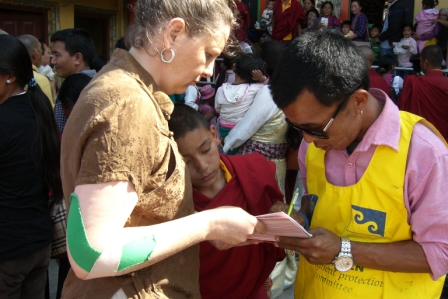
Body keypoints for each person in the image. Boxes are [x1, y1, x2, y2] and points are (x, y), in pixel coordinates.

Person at [59, 1, 266, 298]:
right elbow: (91, 254)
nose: (209, 71)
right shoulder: (128, 103)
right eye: (207, 54)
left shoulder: (121, 88)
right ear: (174, 33)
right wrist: (209, 224)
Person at [269, 30, 448, 299]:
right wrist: (299, 219)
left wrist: (345, 250)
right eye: (297, 127)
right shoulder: (313, 145)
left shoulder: (423, 152)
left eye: (315, 128)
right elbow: (318, 203)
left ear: (358, 101)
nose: (306, 139)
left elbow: (441, 252)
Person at [168, 104, 291, 299]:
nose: (202, 166)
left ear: (214, 134)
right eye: (187, 162)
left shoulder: (252, 169)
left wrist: (280, 213)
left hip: (254, 289)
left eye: (206, 149)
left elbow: (274, 215)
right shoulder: (174, 203)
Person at [0, 34, 62, 299]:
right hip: (37, 241)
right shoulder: (37, 108)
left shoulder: (5, 119)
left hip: (9, 246)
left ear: (9, 76)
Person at [215, 52, 265, 149]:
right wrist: (262, 78)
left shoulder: (221, 89)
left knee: (229, 151)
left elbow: (217, 109)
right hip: (241, 130)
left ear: (234, 67)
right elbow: (267, 87)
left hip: (223, 128)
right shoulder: (255, 88)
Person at [50, 28, 97, 133]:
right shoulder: (103, 81)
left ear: (77, 58)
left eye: (57, 55)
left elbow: (60, 132)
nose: (53, 61)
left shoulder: (70, 88)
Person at [398, 45, 448, 141]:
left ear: (425, 62)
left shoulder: (413, 82)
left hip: (418, 140)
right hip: (443, 141)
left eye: (420, 61)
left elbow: (402, 110)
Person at [17, 35, 53, 105]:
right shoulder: (40, 80)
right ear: (35, 53)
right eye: (41, 50)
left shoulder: (7, 77)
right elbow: (48, 111)